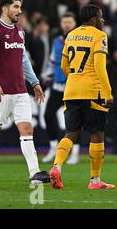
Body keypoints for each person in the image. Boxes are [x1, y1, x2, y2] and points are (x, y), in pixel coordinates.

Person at [0, 0, 49, 185]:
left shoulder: (20, 31)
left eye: (20, 7)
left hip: (20, 91)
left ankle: (34, 174)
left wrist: (35, 83)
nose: (20, 11)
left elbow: (23, 59)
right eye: (16, 7)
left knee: (27, 129)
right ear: (5, 8)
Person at [49, 4, 114, 190]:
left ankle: (57, 166)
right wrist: (108, 93)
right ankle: (95, 181)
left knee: (71, 133)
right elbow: (100, 67)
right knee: (97, 133)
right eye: (101, 17)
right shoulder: (100, 36)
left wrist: (76, 79)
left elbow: (64, 65)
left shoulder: (71, 35)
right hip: (93, 91)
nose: (103, 20)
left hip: (70, 90)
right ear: (93, 18)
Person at [42, 12, 80, 165]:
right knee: (48, 115)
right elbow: (53, 61)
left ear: (75, 23)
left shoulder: (79, 39)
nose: (66, 24)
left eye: (69, 22)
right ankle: (53, 148)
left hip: (74, 85)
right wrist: (45, 76)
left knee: (74, 120)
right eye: (64, 22)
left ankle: (75, 152)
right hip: (58, 85)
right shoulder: (57, 41)